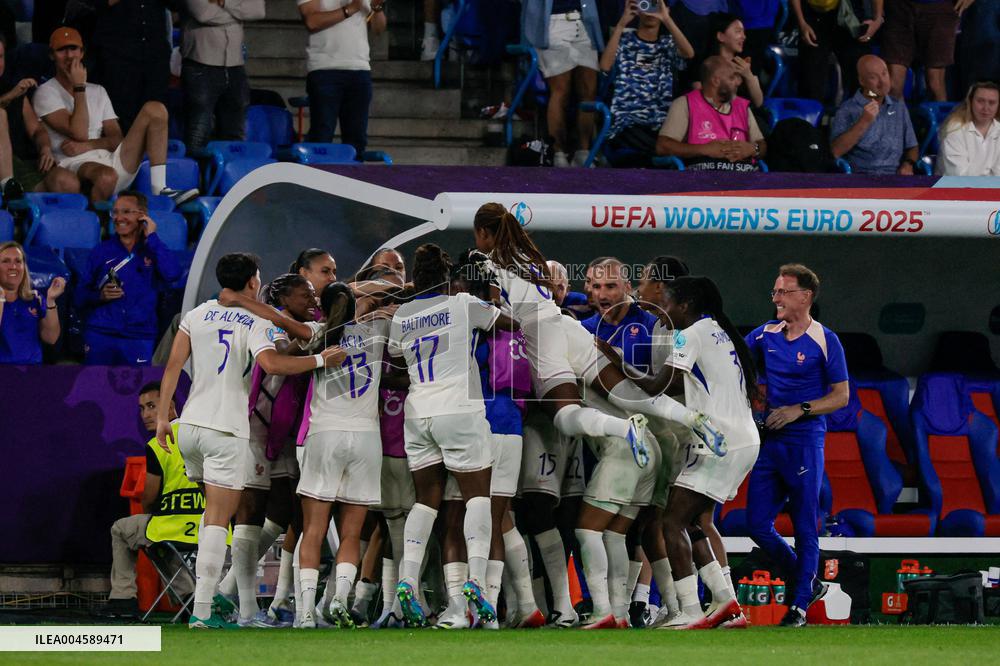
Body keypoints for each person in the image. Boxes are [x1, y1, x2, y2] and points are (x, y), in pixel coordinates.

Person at [155, 252, 345, 629]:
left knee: (218, 516)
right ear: (253, 282)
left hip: (189, 426)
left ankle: (240, 610)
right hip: (227, 429)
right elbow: (274, 364)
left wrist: (163, 416)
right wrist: (321, 361)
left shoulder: (196, 314)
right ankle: (204, 612)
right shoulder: (255, 319)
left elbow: (174, 365)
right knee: (217, 521)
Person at [470, 202, 725, 468]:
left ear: (484, 233)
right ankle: (690, 417)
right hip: (567, 327)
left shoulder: (485, 262)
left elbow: (494, 307)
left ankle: (623, 428)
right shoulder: (528, 256)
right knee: (625, 392)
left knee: (565, 416)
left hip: (539, 338)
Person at [386, 243, 516, 628]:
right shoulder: (460, 302)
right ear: (446, 276)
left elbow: (396, 356)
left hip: (418, 412)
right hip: (459, 408)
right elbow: (508, 322)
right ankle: (475, 580)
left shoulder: (402, 314)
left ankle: (408, 577)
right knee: (478, 495)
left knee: (427, 500)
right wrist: (492, 294)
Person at [627, 276, 760, 629]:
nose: (665, 311)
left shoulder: (690, 334)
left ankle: (689, 610)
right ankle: (726, 603)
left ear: (684, 305)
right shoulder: (719, 329)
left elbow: (660, 385)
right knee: (694, 522)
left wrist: (613, 362)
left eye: (668, 303)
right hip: (743, 439)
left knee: (671, 521)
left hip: (720, 440)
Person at [744, 263, 849, 627]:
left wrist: (798, 410)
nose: (775, 298)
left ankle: (799, 605)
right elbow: (735, 362)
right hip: (769, 440)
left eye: (783, 292)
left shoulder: (825, 339)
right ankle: (808, 582)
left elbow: (840, 397)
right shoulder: (763, 335)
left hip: (805, 440)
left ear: (805, 297)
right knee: (756, 524)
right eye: (774, 292)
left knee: (805, 524)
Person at [33, 27, 197, 204]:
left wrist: (88, 145)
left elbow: (116, 138)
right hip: (73, 165)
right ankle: (99, 223)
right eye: (62, 50)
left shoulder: (98, 91)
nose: (69, 56)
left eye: (73, 49)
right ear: (52, 55)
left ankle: (160, 188)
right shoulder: (46, 92)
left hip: (110, 160)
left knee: (155, 109)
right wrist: (79, 87)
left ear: (82, 53)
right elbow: (78, 132)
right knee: (105, 176)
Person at [101, 381, 200, 619]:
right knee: (160, 543)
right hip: (209, 530)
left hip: (170, 527)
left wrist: (151, 511)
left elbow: (149, 497)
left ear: (170, 405)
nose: (145, 414)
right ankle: (190, 598)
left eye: (152, 406)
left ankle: (122, 600)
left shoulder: (157, 443)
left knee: (123, 530)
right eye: (142, 408)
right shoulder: (200, 435)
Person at [75, 190, 181, 365]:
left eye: (126, 212)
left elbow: (173, 274)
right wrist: (99, 296)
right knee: (94, 389)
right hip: (101, 333)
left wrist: (152, 238)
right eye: (115, 212)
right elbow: (79, 296)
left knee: (135, 390)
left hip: (139, 336)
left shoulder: (153, 250)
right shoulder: (101, 251)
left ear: (142, 216)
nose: (118, 217)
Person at [600, 1, 693, 166]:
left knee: (674, 139)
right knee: (659, 146)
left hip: (661, 123)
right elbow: (605, 66)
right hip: (627, 121)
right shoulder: (625, 40)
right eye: (646, 4)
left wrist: (666, 18)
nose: (651, 11)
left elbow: (688, 53)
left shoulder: (668, 43)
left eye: (655, 5)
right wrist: (621, 23)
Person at [297, 0, 387, 159]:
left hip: (360, 68)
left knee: (357, 141)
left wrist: (377, 8)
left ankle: (353, 181)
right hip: (325, 68)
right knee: (321, 136)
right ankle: (315, 181)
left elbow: (378, 29)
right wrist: (350, 9)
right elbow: (312, 21)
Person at [522, 0, 604, 167]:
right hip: (553, 23)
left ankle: (584, 152)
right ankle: (558, 152)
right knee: (561, 90)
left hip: (584, 22)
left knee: (589, 91)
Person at [180, 0, 266, 151]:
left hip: (235, 66)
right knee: (198, 133)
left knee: (235, 134)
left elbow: (258, 10)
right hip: (201, 64)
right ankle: (198, 173)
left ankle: (232, 173)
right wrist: (238, 13)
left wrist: (225, 2)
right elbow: (203, 13)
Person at [656, 55, 767, 171]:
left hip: (745, 179)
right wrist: (705, 149)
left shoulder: (742, 107)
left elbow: (762, 145)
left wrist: (753, 149)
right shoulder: (685, 104)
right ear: (716, 81)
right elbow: (663, 146)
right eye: (731, 78)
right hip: (702, 179)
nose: (737, 83)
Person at [91, 0, 177, 133]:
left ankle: (153, 151)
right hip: (117, 55)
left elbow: (177, 5)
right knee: (121, 113)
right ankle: (122, 151)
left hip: (154, 55)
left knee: (157, 110)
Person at [830, 54, 918, 175]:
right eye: (873, 77)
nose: (882, 82)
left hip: (895, 178)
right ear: (862, 81)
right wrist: (864, 122)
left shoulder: (899, 107)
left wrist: (908, 164)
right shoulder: (847, 109)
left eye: (884, 73)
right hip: (860, 178)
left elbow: (912, 146)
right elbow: (835, 151)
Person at [790, 0, 882, 102]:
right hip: (813, 17)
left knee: (863, 79)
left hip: (850, 13)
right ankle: (809, 115)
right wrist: (801, 23)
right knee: (810, 83)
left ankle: (863, 115)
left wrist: (877, 18)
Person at [581, 257, 658, 375]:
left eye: (610, 286)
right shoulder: (583, 330)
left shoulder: (652, 327)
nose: (602, 296)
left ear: (627, 288)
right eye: (596, 287)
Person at [884, 0, 972, 102]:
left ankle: (939, 116)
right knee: (894, 85)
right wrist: (877, 14)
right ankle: (894, 116)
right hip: (898, 9)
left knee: (935, 84)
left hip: (940, 8)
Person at [0, 241, 64, 364]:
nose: (13, 266)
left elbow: (51, 338)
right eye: (6, 261)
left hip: (31, 372)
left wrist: (51, 300)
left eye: (18, 261)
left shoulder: (35, 298)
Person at [936, 81, 1000, 176]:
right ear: (970, 101)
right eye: (980, 101)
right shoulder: (954, 130)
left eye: (992, 103)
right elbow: (959, 175)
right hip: (956, 188)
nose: (986, 108)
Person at [0, 36, 36, 200]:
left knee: (61, 183)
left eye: (0, 57)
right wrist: (9, 97)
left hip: (17, 160)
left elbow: (35, 128)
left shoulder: (11, 86)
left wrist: (45, 148)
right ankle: (7, 186)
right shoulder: (12, 91)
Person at [708, 13, 763, 109]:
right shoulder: (707, 64)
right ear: (721, 36)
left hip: (743, 115)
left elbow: (758, 102)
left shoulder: (744, 63)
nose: (743, 37)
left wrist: (748, 75)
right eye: (738, 31)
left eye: (743, 32)